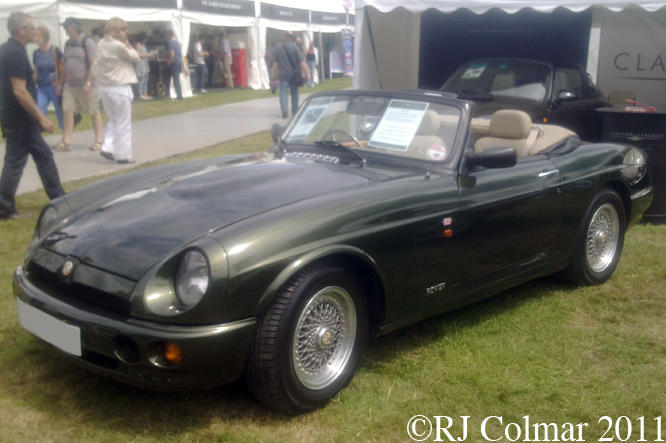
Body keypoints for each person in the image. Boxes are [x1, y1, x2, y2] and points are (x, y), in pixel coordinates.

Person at [0, 12, 65, 220]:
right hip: (20, 118)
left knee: (44, 156)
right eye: (31, 27)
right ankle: (4, 208)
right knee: (14, 162)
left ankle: (59, 198)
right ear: (21, 31)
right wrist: (41, 117)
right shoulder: (16, 53)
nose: (35, 31)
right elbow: (19, 90)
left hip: (16, 117)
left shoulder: (7, 50)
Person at [94, 17, 139, 165]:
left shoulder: (101, 43)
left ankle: (107, 147)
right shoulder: (118, 46)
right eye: (124, 29)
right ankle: (124, 156)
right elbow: (135, 57)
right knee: (124, 123)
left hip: (105, 88)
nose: (126, 32)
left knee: (114, 120)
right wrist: (127, 44)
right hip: (119, 87)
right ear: (118, 31)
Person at [54, 17, 104, 152]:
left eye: (67, 26)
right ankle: (67, 141)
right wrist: (60, 83)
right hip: (70, 85)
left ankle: (98, 140)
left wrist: (88, 82)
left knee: (93, 111)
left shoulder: (87, 42)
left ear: (74, 27)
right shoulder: (67, 44)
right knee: (67, 111)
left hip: (87, 84)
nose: (65, 29)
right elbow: (65, 65)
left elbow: (94, 63)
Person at [271, 32, 309, 118]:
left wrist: (273, 74)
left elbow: (275, 63)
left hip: (283, 74)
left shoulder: (279, 48)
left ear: (284, 37)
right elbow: (302, 63)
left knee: (283, 91)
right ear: (292, 38)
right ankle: (295, 110)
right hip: (294, 75)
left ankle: (284, 111)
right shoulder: (296, 48)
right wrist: (307, 73)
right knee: (294, 92)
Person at [32, 26, 64, 129]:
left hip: (54, 86)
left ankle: (65, 137)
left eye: (38, 36)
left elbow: (63, 67)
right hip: (41, 87)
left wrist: (60, 82)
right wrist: (32, 83)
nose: (36, 38)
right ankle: (38, 134)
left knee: (60, 112)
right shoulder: (36, 53)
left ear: (45, 37)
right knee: (39, 109)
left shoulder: (55, 50)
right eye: (35, 36)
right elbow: (36, 70)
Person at [134, 31, 153, 100]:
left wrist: (149, 54)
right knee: (141, 80)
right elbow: (138, 54)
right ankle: (140, 94)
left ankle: (145, 93)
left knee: (145, 79)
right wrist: (146, 55)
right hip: (140, 63)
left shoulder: (143, 45)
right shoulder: (138, 44)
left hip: (145, 63)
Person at [164, 30, 182, 100]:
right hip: (179, 62)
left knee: (175, 80)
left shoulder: (171, 43)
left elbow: (172, 54)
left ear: (168, 36)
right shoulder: (178, 42)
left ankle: (179, 96)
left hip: (174, 63)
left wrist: (169, 62)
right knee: (177, 80)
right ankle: (179, 95)